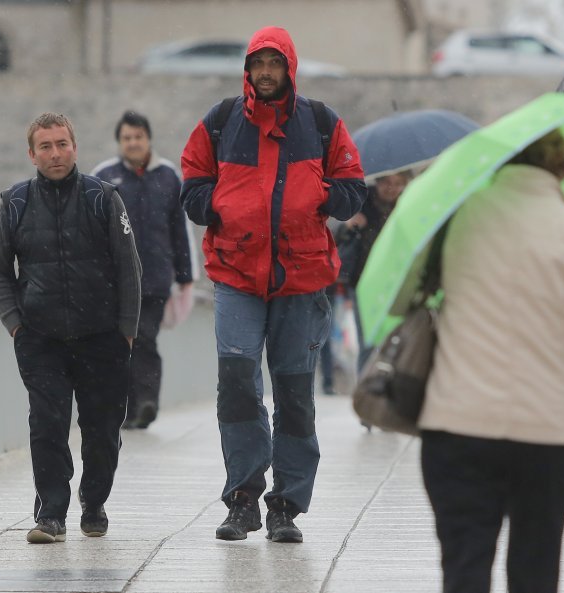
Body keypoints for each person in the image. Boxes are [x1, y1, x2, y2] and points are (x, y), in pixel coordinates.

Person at [418, 130, 564, 593]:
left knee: (463, 567)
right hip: (547, 432)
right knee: (536, 569)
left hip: (459, 423)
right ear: (561, 169)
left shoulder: (456, 219)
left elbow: (405, 300)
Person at [179, 26, 366, 543]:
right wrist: (216, 204)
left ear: (289, 69)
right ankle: (242, 497)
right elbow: (191, 183)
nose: (265, 72)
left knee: (294, 392)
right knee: (237, 386)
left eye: (274, 63)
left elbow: (354, 190)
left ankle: (286, 503)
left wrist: (323, 196)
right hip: (237, 274)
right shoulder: (220, 123)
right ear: (247, 69)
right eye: (258, 63)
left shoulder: (322, 123)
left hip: (302, 277)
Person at [0, 112, 142, 543]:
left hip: (103, 337)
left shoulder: (103, 198)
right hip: (41, 339)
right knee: (48, 425)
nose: (55, 154)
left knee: (102, 428)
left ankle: (93, 503)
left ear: (75, 146)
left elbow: (130, 269)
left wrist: (126, 330)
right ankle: (51, 513)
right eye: (46, 147)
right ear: (32, 154)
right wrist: (16, 325)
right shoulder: (14, 204)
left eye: (62, 144)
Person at [92, 110, 195, 429]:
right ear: (119, 142)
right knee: (118, 344)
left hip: (154, 279)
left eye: (138, 137)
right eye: (127, 138)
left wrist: (186, 278)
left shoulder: (168, 176)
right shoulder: (103, 176)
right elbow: (91, 231)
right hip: (113, 282)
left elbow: (181, 230)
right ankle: (125, 407)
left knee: (146, 340)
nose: (133, 143)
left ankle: (146, 402)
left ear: (148, 139)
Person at [335, 170, 412, 369]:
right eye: (387, 181)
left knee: (397, 339)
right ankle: (365, 388)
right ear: (377, 182)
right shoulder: (360, 202)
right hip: (363, 282)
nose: (391, 188)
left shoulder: (409, 204)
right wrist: (349, 225)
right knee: (367, 340)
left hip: (395, 280)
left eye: (398, 183)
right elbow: (338, 238)